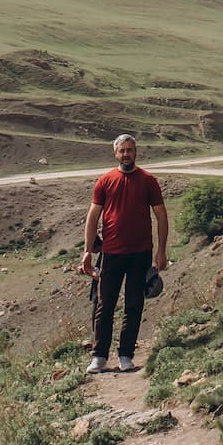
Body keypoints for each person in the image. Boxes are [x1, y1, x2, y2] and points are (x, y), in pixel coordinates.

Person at [80, 132, 168, 373]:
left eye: (130, 150)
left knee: (134, 304)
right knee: (104, 304)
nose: (126, 154)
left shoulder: (148, 180)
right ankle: (99, 357)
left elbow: (161, 214)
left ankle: (126, 355)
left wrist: (161, 251)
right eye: (122, 150)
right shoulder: (105, 181)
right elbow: (92, 217)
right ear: (115, 153)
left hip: (140, 252)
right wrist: (88, 251)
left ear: (135, 152)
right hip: (111, 252)